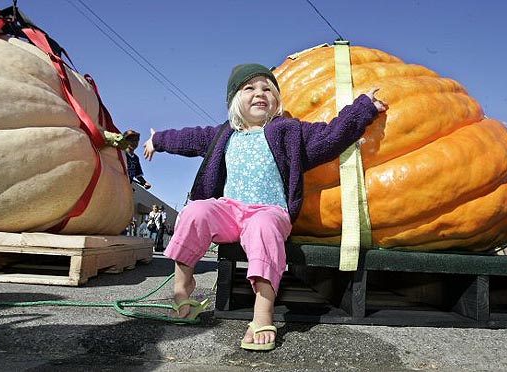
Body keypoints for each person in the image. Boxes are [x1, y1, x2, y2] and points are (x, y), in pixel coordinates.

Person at [143, 63, 387, 351]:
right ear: (235, 100)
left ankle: (262, 310)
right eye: (250, 88)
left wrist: (363, 108)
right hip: (229, 210)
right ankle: (183, 288)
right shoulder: (223, 134)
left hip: (269, 211)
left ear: (276, 101)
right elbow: (186, 138)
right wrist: (157, 140)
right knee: (195, 211)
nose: (260, 92)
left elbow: (332, 136)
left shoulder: (290, 133)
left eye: (267, 88)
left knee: (263, 227)